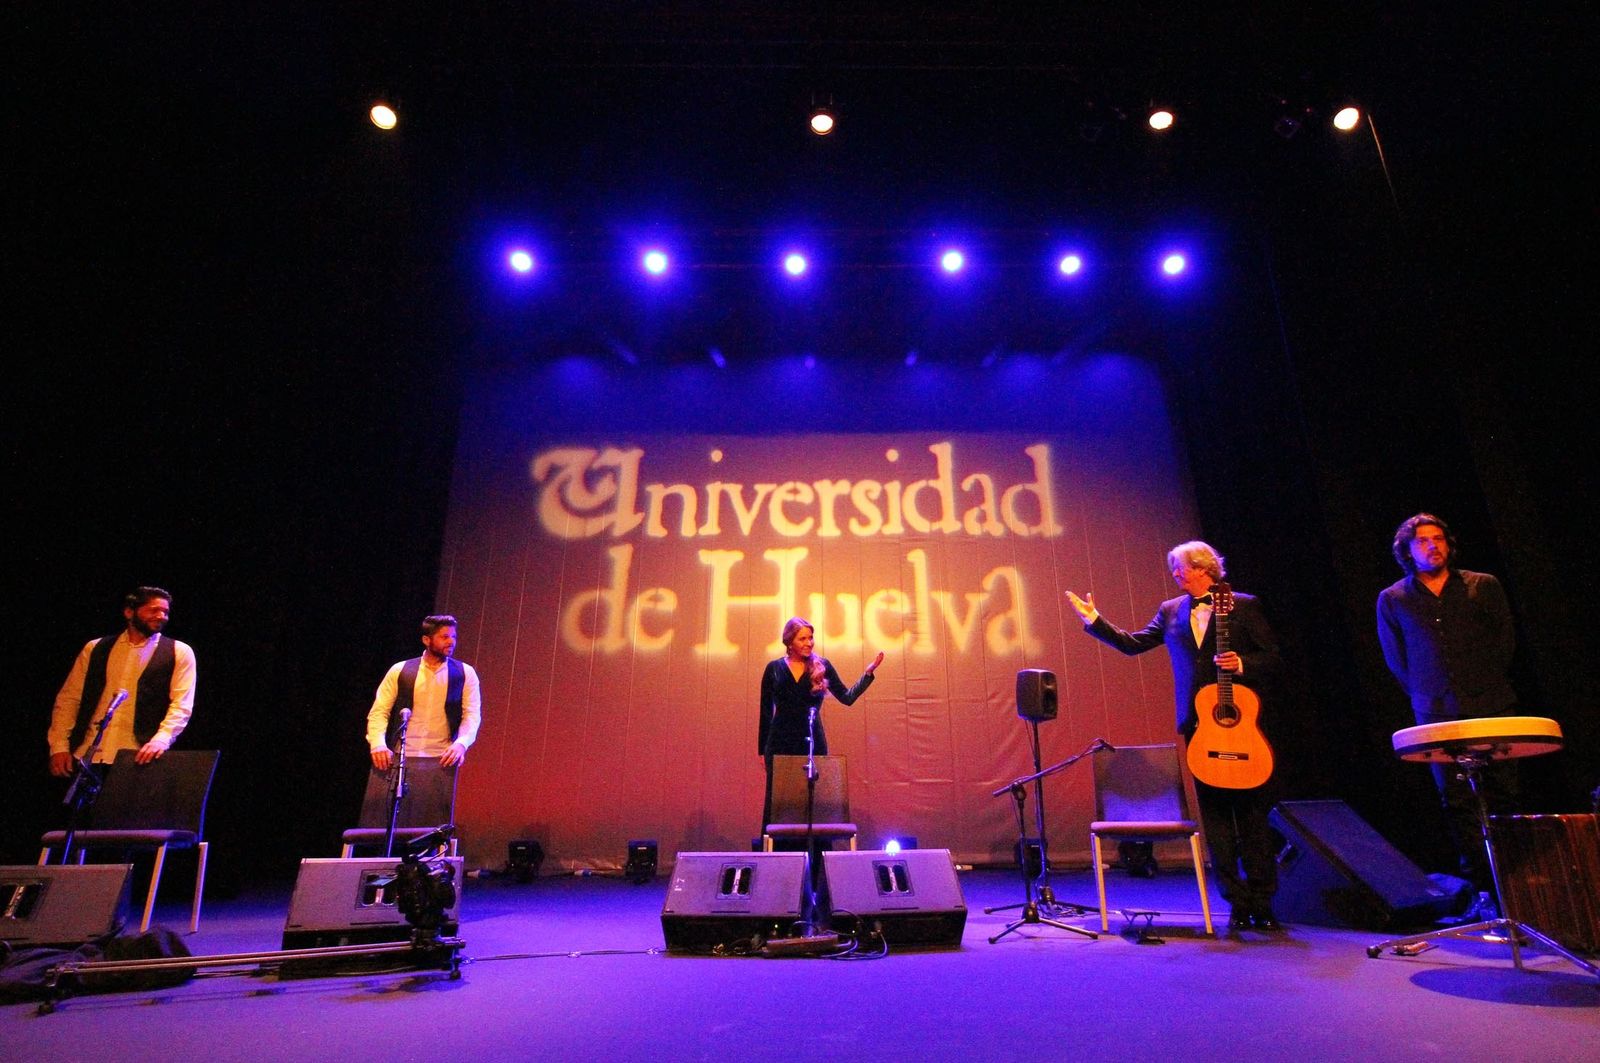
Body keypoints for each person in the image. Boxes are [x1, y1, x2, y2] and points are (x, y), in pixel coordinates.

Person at [1067, 541, 1284, 933]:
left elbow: (1272, 657)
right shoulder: (1171, 611)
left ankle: (1263, 900)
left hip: (1242, 726)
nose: (1175, 575)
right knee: (1216, 819)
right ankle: (1235, 902)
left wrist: (1243, 663)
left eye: (1180, 568)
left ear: (1203, 568)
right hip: (1200, 725)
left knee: (1252, 816)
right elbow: (1133, 645)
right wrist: (1095, 620)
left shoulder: (1244, 605)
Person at [1376, 512, 1517, 888]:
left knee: (1503, 794)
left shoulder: (1481, 585)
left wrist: (1482, 683)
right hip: (1437, 713)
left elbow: (1505, 642)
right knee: (1457, 802)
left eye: (1438, 538)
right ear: (1407, 550)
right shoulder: (1393, 599)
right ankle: (1483, 888)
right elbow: (1397, 660)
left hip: (1491, 706)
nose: (1432, 545)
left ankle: (1516, 884)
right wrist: (1429, 692)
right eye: (1422, 540)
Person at [48, 586, 197, 777]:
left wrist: (161, 739)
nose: (161, 616)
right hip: (87, 755)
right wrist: (59, 746)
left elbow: (181, 704)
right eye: (154, 610)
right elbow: (69, 699)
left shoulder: (179, 652)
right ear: (129, 612)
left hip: (139, 757)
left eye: (165, 612)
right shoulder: (96, 648)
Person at [757, 617, 883, 834]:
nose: (809, 643)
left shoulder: (821, 666)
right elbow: (766, 711)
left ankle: (815, 863)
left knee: (813, 804)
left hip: (812, 741)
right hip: (779, 743)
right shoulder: (774, 669)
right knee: (778, 803)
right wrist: (762, 751)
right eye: (802, 638)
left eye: (811, 637)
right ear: (789, 642)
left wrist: (868, 674)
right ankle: (777, 859)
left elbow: (847, 697)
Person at [367, 614, 482, 771]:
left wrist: (461, 743)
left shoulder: (465, 673)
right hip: (400, 756)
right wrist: (377, 743)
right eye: (445, 637)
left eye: (453, 637)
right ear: (427, 640)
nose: (451, 642)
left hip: (442, 759)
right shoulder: (400, 670)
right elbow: (379, 712)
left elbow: (472, 715)